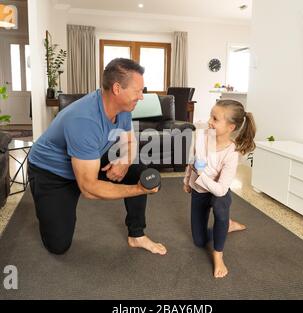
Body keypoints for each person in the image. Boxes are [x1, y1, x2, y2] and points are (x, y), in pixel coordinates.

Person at [27, 58, 167, 256]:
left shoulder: (124, 108)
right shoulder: (84, 119)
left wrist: (125, 163)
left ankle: (137, 235)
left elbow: (129, 142)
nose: (141, 97)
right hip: (52, 172)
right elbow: (89, 190)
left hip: (89, 159)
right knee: (58, 245)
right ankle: (45, 204)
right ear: (117, 89)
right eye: (137, 91)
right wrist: (138, 189)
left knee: (138, 168)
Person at [183, 100, 256, 278]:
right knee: (199, 242)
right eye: (211, 116)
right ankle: (227, 226)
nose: (209, 121)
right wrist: (187, 180)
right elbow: (191, 160)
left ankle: (218, 255)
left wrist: (201, 175)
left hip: (218, 192)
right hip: (200, 191)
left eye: (215, 119)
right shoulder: (201, 136)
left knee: (220, 208)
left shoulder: (232, 153)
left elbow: (222, 190)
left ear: (231, 127)